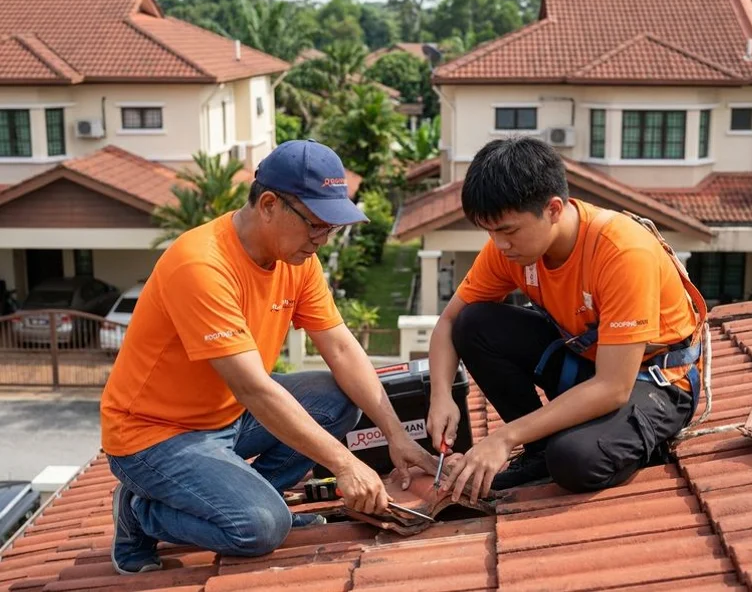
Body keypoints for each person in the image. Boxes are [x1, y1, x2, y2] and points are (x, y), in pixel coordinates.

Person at [101, 139, 432, 575]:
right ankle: (140, 511)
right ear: (270, 205)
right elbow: (255, 388)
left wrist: (396, 434)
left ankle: (250, 499)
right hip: (154, 436)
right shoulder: (201, 265)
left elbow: (340, 346)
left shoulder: (296, 258)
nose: (322, 240)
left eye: (330, 228)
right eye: (315, 225)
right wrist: (345, 463)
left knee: (337, 399)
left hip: (227, 417)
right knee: (260, 530)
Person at [426, 136, 706, 505]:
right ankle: (540, 449)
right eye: (490, 232)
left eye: (508, 230)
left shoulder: (621, 251)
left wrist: (504, 437)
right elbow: (448, 324)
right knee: (473, 324)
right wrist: (441, 396)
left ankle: (624, 440)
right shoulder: (508, 251)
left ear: (554, 209)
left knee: (575, 460)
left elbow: (613, 387)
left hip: (654, 382)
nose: (499, 244)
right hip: (590, 365)